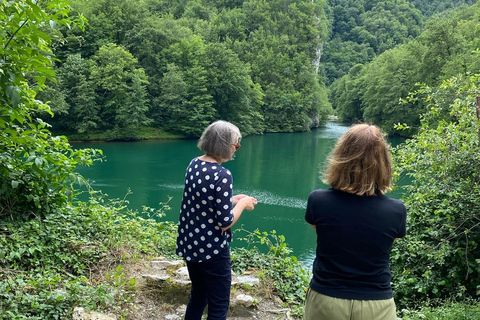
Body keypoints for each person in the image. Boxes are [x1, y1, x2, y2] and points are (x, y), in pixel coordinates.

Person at [304, 123, 407, 320]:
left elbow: (324, 234)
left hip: (326, 299)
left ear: (341, 157)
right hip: (376, 304)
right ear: (383, 162)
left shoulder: (318, 200)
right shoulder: (396, 210)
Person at [176, 120, 258, 320]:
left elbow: (201, 201)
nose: (236, 148)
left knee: (198, 295)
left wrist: (230, 199)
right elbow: (225, 222)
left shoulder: (194, 164)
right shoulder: (223, 175)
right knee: (219, 304)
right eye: (235, 144)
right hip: (212, 250)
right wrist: (242, 204)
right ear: (223, 144)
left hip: (191, 245)